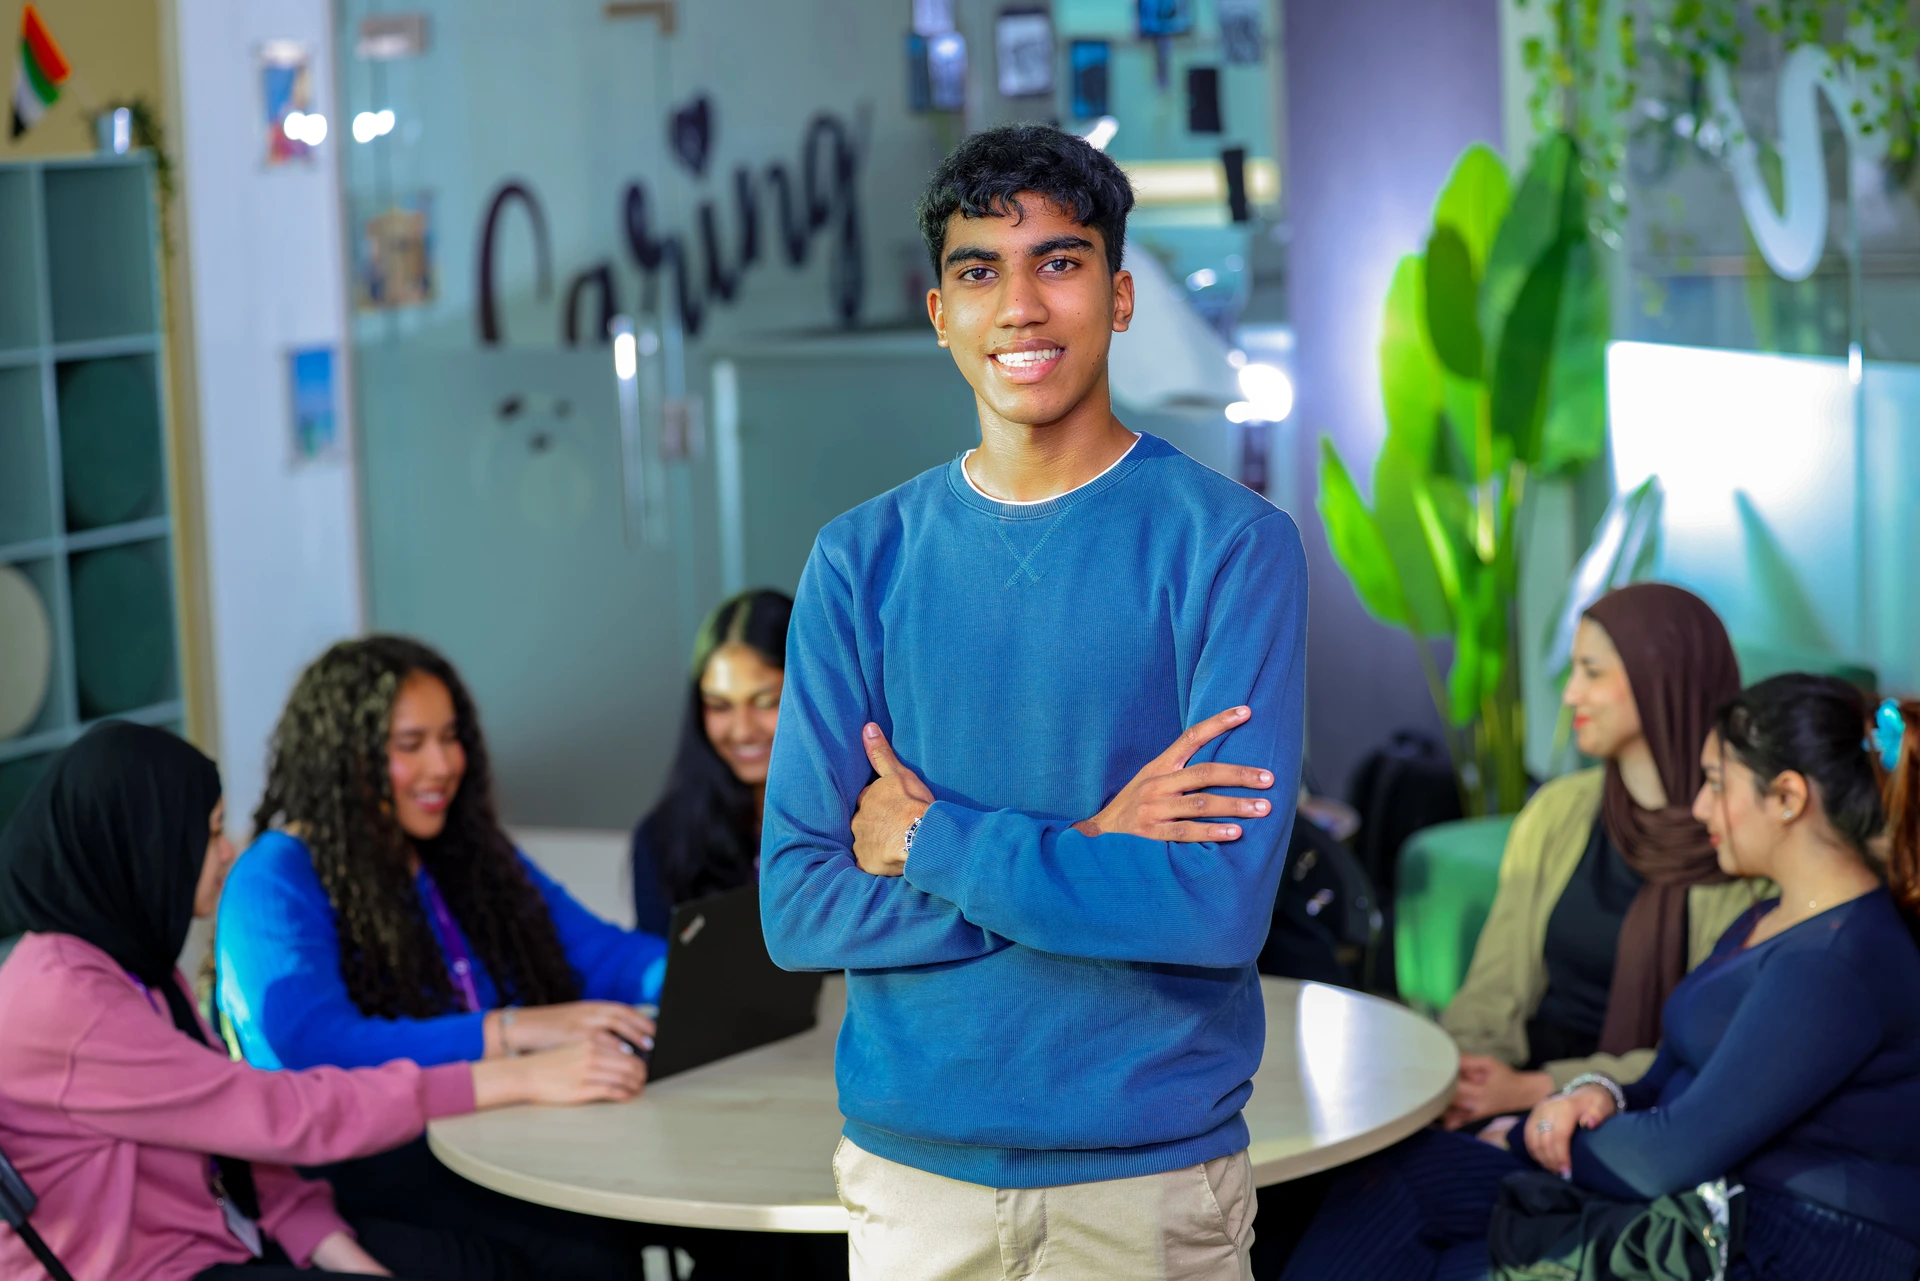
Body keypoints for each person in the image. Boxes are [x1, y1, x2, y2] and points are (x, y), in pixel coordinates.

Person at [760, 123, 1307, 1281]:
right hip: (917, 1190)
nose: (1020, 306)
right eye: (979, 271)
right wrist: (1091, 848)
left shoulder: (1232, 549)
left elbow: (1214, 908)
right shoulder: (861, 560)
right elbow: (799, 907)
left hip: (1147, 1187)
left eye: (1058, 263)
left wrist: (932, 843)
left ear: (1117, 296)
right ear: (939, 312)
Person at [1281, 674, 1920, 1281]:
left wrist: (1534, 1137)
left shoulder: (1835, 964)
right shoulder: (1772, 916)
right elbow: (1668, 1075)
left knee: (1441, 1257)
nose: (1700, 807)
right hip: (1707, 1205)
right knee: (1400, 1173)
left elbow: (1672, 1153)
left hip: (1780, 1243)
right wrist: (1599, 1094)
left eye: (1716, 784)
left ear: (1787, 798)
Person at [0, 722, 645, 1281]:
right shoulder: (69, 1001)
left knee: (536, 1256)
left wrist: (334, 1251)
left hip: (220, 1243)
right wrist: (513, 1074)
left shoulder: (126, 964)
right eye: (211, 834)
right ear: (142, 848)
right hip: (166, 1268)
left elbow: (235, 1136)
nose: (227, 855)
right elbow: (278, 1112)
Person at [215, 636, 666, 1280]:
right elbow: (312, 1046)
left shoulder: (464, 853)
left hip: (486, 1138)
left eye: (450, 738)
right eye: (410, 745)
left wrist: (717, 971)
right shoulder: (276, 876)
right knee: (586, 1251)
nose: (442, 765)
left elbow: (605, 955)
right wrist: (511, 1030)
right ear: (345, 756)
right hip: (359, 1168)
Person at [1441, 583, 1761, 1130]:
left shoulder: (1743, 845)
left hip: (1639, 1113)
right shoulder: (1559, 813)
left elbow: (1716, 1050)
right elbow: (1491, 992)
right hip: (1517, 1092)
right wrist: (1462, 1079)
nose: (1570, 695)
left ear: (1662, 679)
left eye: (1592, 672)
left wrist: (1537, 1090)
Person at [631, 588, 792, 934]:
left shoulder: (866, 818)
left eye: (766, 702)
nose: (743, 731)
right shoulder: (663, 839)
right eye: (719, 706)